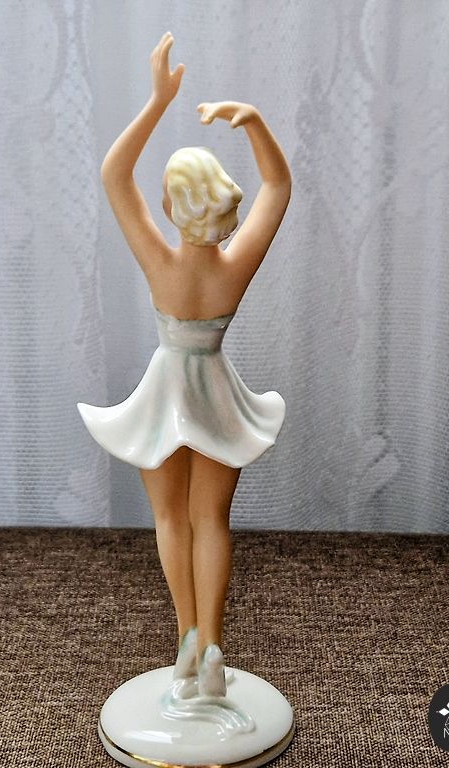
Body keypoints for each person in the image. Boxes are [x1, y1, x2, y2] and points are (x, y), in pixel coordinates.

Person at [77, 32, 291, 698]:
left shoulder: (160, 262)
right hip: (217, 397)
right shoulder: (234, 266)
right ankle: (213, 645)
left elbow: (114, 175)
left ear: (170, 208)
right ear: (224, 207)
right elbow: (278, 186)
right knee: (210, 521)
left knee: (169, 519)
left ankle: (188, 639)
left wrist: (157, 101)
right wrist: (255, 123)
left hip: (166, 397)